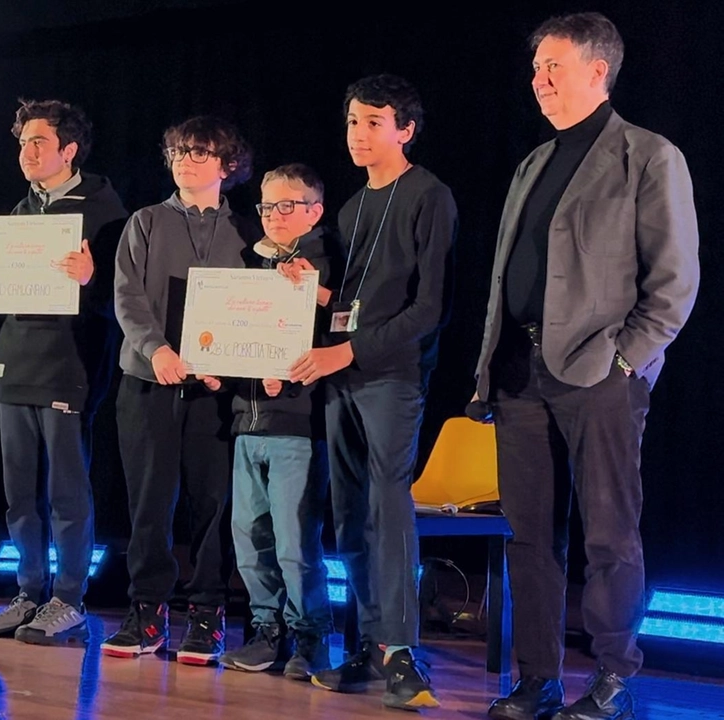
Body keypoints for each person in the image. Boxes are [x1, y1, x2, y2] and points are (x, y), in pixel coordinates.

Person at [477, 13, 699, 720]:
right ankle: (538, 679)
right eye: (536, 67)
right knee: (529, 534)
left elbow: (674, 282)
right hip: (518, 371)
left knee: (609, 532)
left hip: (598, 373)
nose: (538, 80)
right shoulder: (532, 162)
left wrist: (626, 362)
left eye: (554, 66)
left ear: (598, 70)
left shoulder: (647, 153)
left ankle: (613, 678)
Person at [285, 74, 457, 711]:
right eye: (353, 122)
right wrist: (317, 293)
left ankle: (404, 653)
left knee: (388, 505)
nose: (359, 134)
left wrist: (347, 349)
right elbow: (356, 304)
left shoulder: (429, 196)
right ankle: (370, 642)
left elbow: (428, 308)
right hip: (345, 375)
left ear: (405, 130)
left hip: (392, 376)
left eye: (374, 123)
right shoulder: (353, 207)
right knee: (350, 513)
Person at [0, 99, 128, 646]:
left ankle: (69, 599)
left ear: (69, 149)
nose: (26, 153)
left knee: (65, 490)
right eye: (22, 143)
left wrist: (92, 276)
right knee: (18, 491)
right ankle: (29, 593)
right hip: (15, 363)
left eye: (38, 142)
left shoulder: (104, 209)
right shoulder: (19, 212)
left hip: (69, 368)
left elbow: (122, 302)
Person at [104, 116, 260, 665]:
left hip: (215, 392)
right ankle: (147, 611)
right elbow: (127, 297)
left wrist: (231, 364)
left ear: (228, 164)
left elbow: (252, 311)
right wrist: (157, 349)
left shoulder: (248, 232)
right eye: (179, 151)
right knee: (149, 501)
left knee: (213, 503)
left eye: (200, 152)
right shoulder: (145, 222)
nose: (187, 160)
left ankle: (208, 613)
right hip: (149, 381)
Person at [210, 164, 335, 679]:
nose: (275, 216)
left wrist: (317, 292)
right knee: (249, 534)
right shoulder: (250, 262)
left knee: (293, 541)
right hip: (247, 420)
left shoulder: (330, 265)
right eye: (266, 206)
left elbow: (351, 331)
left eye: (288, 205)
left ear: (314, 210)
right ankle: (266, 631)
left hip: (297, 424)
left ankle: (310, 636)